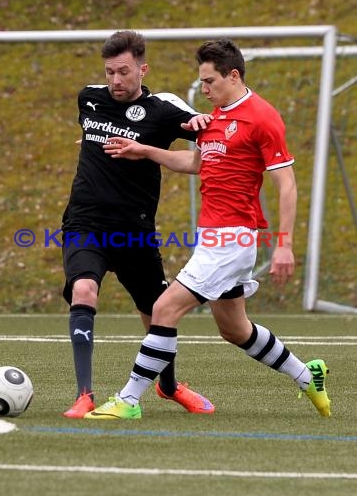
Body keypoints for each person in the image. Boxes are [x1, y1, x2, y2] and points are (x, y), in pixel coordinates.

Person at [85, 37, 331, 420]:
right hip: (212, 239)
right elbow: (194, 163)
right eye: (201, 81)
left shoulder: (262, 117)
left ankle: (128, 400)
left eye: (210, 81)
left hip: (233, 239)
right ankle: (306, 375)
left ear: (233, 76)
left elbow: (287, 184)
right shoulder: (213, 118)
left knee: (163, 308)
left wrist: (284, 245)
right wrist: (145, 150)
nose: (204, 89)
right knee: (235, 329)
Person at [61, 30, 215, 418]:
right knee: (84, 289)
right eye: (110, 71)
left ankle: (168, 386)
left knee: (158, 312)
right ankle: (85, 395)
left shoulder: (163, 109)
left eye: (124, 72)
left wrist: (193, 130)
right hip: (86, 222)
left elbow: (208, 132)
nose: (116, 80)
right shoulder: (89, 97)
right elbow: (91, 135)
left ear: (142, 70)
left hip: (135, 230)